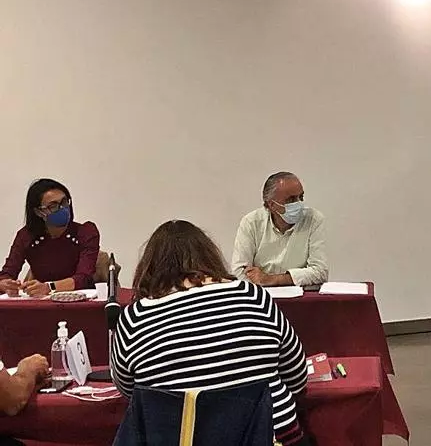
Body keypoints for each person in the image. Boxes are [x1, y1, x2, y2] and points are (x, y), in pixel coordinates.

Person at [111, 220, 311, 446]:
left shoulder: (135, 318)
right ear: (209, 256)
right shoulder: (253, 296)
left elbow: (130, 393)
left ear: (149, 267)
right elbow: (297, 377)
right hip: (271, 437)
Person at [0, 179, 100, 297]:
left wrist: (50, 287)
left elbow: (84, 278)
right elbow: (8, 272)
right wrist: (6, 284)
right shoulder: (26, 236)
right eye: (53, 206)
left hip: (81, 299)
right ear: (39, 212)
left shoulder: (86, 232)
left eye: (64, 202)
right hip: (43, 300)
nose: (62, 208)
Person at [231, 172, 328, 287]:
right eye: (291, 200)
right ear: (272, 205)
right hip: (261, 292)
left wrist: (271, 279)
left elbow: (320, 272)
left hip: (299, 294)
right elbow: (239, 271)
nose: (299, 204)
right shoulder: (251, 222)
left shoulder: (314, 219)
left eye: (301, 197)